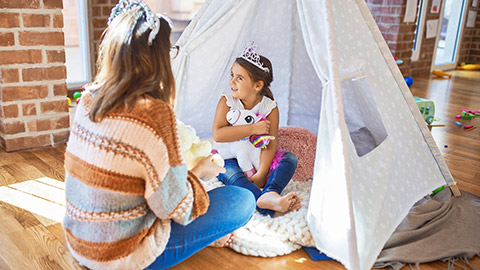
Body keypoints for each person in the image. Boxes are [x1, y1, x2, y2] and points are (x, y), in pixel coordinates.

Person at [62, 1, 256, 269]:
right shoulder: (153, 116)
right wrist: (199, 172)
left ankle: (203, 235)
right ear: (156, 59)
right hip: (122, 257)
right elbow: (174, 207)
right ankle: (204, 237)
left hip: (81, 242)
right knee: (241, 200)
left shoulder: (87, 100)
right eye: (170, 50)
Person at [212, 42, 301, 217]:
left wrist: (262, 172)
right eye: (232, 75)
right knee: (230, 173)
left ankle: (271, 191)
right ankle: (267, 202)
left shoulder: (269, 108)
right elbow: (218, 134)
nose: (232, 81)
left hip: (257, 157)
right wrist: (253, 128)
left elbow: (270, 144)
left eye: (239, 78)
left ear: (258, 85)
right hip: (229, 158)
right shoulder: (227, 102)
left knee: (289, 159)